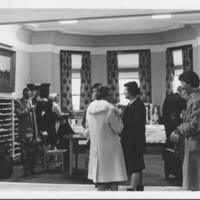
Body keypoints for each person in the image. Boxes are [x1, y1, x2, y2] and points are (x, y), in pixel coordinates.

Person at [86, 85, 127, 191]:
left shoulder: (90, 108)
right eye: (110, 95)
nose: (112, 97)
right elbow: (118, 128)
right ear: (106, 96)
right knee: (113, 177)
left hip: (96, 148)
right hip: (111, 148)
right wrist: (120, 117)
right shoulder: (110, 109)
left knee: (101, 180)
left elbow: (87, 127)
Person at [175, 71, 200, 191]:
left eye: (183, 82)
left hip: (195, 142)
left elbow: (195, 125)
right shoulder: (193, 98)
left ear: (189, 84)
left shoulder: (197, 99)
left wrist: (180, 128)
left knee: (195, 181)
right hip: (191, 141)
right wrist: (186, 116)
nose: (181, 86)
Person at [120, 81, 146, 191]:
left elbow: (136, 122)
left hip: (134, 140)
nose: (124, 92)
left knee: (135, 165)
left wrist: (122, 116)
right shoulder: (131, 104)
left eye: (125, 90)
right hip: (131, 139)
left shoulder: (138, 105)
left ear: (131, 92)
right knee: (137, 164)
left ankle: (132, 187)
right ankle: (139, 186)